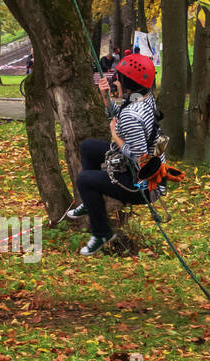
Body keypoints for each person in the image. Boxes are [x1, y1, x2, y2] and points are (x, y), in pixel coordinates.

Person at [64, 53, 163, 256]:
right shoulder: (145, 98)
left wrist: (116, 138)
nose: (116, 80)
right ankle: (91, 201)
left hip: (142, 185)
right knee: (89, 147)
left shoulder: (132, 114)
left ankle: (102, 233)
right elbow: (123, 118)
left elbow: (139, 157)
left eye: (120, 77)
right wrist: (106, 98)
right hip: (144, 172)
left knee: (84, 180)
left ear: (129, 82)